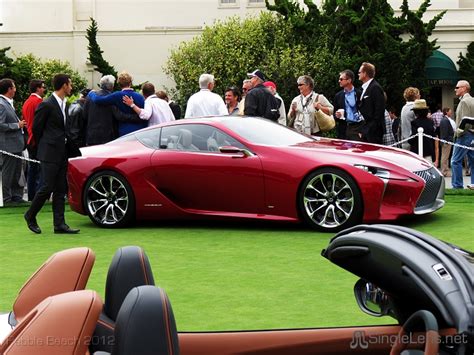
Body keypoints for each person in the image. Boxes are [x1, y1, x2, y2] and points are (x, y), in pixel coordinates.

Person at [24, 74, 81, 234]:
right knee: (47, 186)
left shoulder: (65, 104)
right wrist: (45, 145)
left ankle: (59, 224)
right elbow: (36, 128)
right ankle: (30, 215)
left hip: (62, 151)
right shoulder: (47, 104)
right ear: (64, 86)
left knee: (61, 188)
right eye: (70, 84)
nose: (71, 87)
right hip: (49, 152)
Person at [84, 75, 140, 146]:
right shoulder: (111, 98)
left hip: (91, 136)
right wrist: (137, 117)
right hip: (107, 137)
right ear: (112, 86)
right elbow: (119, 116)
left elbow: (84, 115)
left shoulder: (90, 97)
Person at [0, 78, 27, 204]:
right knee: (8, 172)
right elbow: (0, 125)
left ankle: (17, 196)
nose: (15, 90)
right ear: (9, 89)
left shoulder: (8, 103)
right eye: (14, 87)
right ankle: (7, 198)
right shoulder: (1, 104)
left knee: (17, 172)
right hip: (8, 146)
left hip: (16, 145)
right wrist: (17, 125)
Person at [22, 79, 46, 201]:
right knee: (40, 170)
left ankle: (32, 195)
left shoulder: (27, 102)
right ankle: (38, 196)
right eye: (42, 87)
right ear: (37, 88)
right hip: (38, 140)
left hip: (30, 139)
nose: (44, 89)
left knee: (33, 169)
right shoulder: (38, 102)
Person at [451, 80, 474, 189]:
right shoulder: (471, 100)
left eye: (457, 87)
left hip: (464, 135)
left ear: (464, 88)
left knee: (455, 161)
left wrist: (458, 133)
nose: (455, 89)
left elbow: (465, 122)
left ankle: (457, 186)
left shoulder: (464, 102)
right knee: (472, 161)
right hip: (471, 135)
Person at [357, 62, 385, 144]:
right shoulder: (363, 89)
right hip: (365, 129)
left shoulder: (375, 88)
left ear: (365, 73)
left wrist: (368, 130)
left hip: (373, 132)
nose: (358, 74)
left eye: (359, 72)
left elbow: (379, 112)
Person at [333, 69, 362, 140]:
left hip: (356, 128)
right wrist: (336, 115)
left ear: (349, 80)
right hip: (343, 128)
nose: (339, 81)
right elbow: (334, 114)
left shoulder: (359, 94)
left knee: (356, 150)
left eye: (341, 79)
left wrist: (362, 130)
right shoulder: (338, 96)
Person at [408, 99, 438, 165]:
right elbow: (434, 138)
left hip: (417, 152)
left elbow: (412, 139)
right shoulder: (431, 122)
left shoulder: (414, 123)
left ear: (416, 112)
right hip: (429, 152)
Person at [439, 107, 454, 177]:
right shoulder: (445, 120)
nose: (451, 112)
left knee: (445, 157)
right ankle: (444, 171)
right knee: (445, 157)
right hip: (446, 142)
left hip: (446, 141)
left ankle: (445, 171)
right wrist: (446, 141)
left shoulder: (444, 120)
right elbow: (445, 132)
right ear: (446, 112)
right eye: (450, 111)